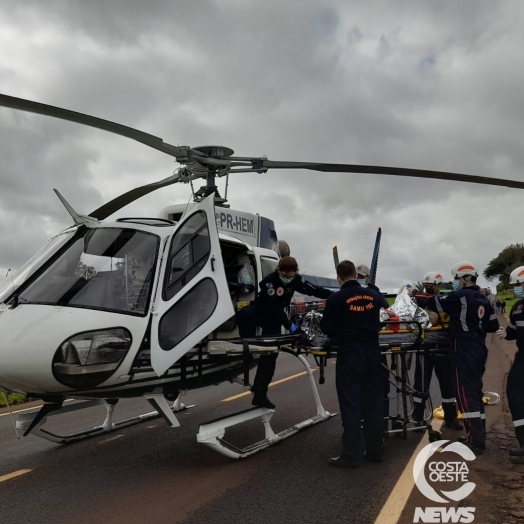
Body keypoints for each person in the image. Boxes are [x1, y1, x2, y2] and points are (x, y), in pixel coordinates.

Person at [237, 256, 333, 409]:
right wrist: (290, 325)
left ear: (295, 273)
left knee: (269, 356)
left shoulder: (296, 279)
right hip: (262, 310)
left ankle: (260, 392)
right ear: (280, 270)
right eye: (285, 275)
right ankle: (247, 351)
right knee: (244, 314)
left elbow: (314, 290)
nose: (288, 278)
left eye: (291, 275)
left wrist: (334, 295)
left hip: (274, 319)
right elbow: (273, 306)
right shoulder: (270, 281)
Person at [424, 261, 499, 455]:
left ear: (465, 278)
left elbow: (434, 302)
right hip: (479, 347)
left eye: (457, 279)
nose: (455, 282)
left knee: (465, 394)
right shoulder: (484, 299)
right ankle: (478, 434)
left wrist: (415, 295)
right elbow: (492, 326)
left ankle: (475, 441)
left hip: (464, 347)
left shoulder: (460, 296)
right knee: (475, 392)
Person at [320, 260, 385, 468]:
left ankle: (350, 454)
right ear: (356, 276)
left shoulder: (336, 298)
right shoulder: (375, 296)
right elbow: (385, 317)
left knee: (351, 406)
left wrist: (341, 334)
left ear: (339, 278)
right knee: (374, 405)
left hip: (350, 355)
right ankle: (375, 451)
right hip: (373, 354)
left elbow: (327, 328)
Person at [411, 271, 463, 431]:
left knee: (448, 384)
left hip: (443, 347)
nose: (429, 289)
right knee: (420, 385)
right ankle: (418, 418)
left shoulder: (445, 301)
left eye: (431, 286)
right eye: (426, 287)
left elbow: (435, 302)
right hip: (424, 348)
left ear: (439, 286)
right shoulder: (416, 302)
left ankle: (450, 417)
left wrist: (415, 293)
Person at [357, 263, 390, 431]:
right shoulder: (348, 293)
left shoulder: (376, 294)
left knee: (380, 385)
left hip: (375, 346)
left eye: (361, 277)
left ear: (368, 278)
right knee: (360, 388)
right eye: (356, 276)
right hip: (358, 348)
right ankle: (364, 422)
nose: (358, 280)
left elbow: (386, 312)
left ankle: (381, 421)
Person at [496, 266, 524, 458]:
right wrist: (506, 334)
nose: (517, 288)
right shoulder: (517, 308)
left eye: (519, 284)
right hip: (523, 356)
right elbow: (514, 331)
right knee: (514, 393)